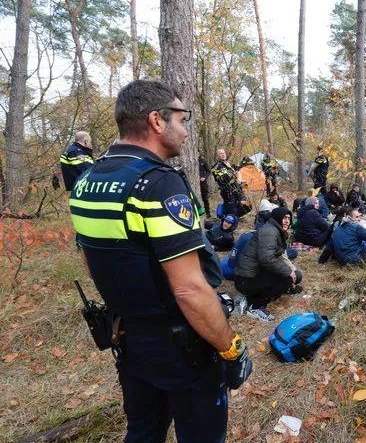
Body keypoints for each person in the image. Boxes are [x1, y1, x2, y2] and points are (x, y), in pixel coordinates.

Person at [67, 80, 247, 442]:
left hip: (129, 338)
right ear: (156, 121)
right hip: (181, 348)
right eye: (181, 119)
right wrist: (231, 348)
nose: (185, 130)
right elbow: (189, 289)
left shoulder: (87, 181)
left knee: (144, 431)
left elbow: (92, 260)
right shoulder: (157, 184)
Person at [234, 207, 303, 322]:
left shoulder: (274, 230)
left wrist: (292, 271)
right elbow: (266, 259)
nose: (287, 221)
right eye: (284, 218)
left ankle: (263, 293)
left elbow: (280, 256)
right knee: (287, 277)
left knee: (295, 275)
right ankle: (255, 307)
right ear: (277, 218)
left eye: (289, 218)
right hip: (245, 280)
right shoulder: (270, 231)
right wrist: (288, 272)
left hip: (253, 274)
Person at [211, 148, 240, 215]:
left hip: (234, 189)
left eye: (224, 153)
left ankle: (232, 217)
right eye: (221, 153)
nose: (223, 154)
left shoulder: (226, 164)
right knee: (231, 209)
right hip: (227, 191)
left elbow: (234, 176)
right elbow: (227, 178)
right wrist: (232, 170)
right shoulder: (216, 167)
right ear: (217, 156)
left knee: (236, 206)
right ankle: (228, 218)